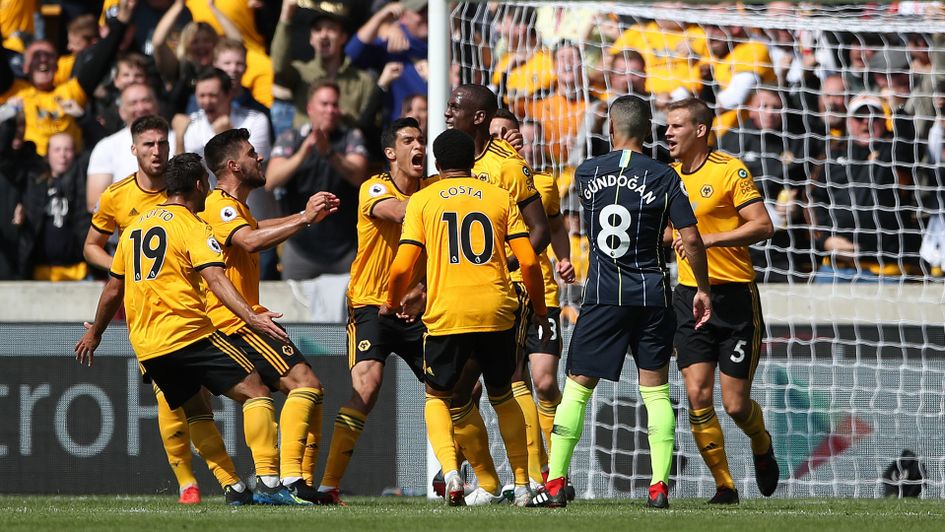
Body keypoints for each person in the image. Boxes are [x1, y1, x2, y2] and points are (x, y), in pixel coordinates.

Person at [74, 152, 307, 506]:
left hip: (149, 347)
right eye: (206, 185)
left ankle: (233, 486)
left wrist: (96, 333)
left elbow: (112, 290)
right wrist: (251, 316)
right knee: (256, 392)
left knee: (197, 410)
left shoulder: (134, 226)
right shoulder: (193, 226)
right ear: (199, 185)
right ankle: (270, 481)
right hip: (189, 334)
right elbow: (217, 279)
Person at [528, 95, 711, 509]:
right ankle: (659, 487)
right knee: (656, 391)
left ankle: (555, 483)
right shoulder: (665, 176)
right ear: (649, 132)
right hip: (651, 295)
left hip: (603, 296)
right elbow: (692, 239)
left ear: (611, 130)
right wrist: (702, 287)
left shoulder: (588, 172)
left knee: (576, 390)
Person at [382, 128, 550, 506]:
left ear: (437, 164)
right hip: (496, 309)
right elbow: (527, 260)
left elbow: (402, 266)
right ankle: (522, 484)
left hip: (448, 313)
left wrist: (391, 302)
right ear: (473, 162)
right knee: (503, 394)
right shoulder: (499, 196)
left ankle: (453, 473)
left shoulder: (423, 201)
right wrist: (539, 310)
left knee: (436, 396)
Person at [83, 115, 226, 504]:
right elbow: (91, 246)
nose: (157, 151)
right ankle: (189, 482)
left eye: (162, 143)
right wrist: (122, 266)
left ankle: (229, 479)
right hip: (151, 314)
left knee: (201, 399)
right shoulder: (116, 196)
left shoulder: (188, 190)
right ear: (133, 150)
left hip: (199, 307)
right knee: (171, 396)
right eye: (148, 145)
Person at [201, 128, 339, 503]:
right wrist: (306, 220)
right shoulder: (219, 205)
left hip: (238, 321)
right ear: (233, 166)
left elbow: (254, 230)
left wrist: (304, 214)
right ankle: (287, 482)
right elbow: (248, 240)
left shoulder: (237, 209)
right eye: (251, 153)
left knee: (310, 390)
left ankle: (295, 482)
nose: (259, 157)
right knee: (305, 384)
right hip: (236, 322)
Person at [664, 98, 779, 504]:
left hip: (734, 298)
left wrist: (708, 238)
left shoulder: (730, 170)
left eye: (676, 126)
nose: (667, 133)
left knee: (734, 404)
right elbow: (663, 232)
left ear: (700, 130)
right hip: (689, 297)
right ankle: (725, 486)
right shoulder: (668, 177)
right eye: (666, 126)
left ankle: (761, 443)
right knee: (696, 394)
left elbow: (763, 225)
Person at [442, 83, 550, 503]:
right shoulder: (450, 160)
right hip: (458, 292)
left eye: (456, 105)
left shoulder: (508, 165)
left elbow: (538, 229)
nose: (448, 110)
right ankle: (488, 480)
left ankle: (531, 477)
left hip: (507, 290)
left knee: (507, 380)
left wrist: (500, 266)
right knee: (460, 391)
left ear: (479, 117)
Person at [316, 117, 430, 504]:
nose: (419, 147)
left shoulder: (432, 189)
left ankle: (456, 477)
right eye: (409, 141)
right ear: (390, 152)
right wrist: (450, 199)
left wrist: (424, 290)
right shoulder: (374, 187)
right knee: (367, 385)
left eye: (422, 141)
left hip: (415, 307)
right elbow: (400, 214)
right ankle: (329, 486)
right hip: (370, 303)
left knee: (459, 387)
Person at [490, 109, 574, 486]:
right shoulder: (482, 180)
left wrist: (565, 258)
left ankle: (556, 468)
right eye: (498, 133)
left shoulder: (543, 182)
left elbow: (554, 226)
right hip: (498, 290)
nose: (508, 137)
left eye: (512, 131)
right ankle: (533, 473)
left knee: (543, 381)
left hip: (542, 291)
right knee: (510, 383)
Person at [267, 80, 369, 281]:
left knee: (349, 310)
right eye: (324, 104)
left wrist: (329, 153)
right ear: (310, 108)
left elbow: (358, 175)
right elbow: (271, 180)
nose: (330, 110)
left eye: (334, 105)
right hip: (300, 248)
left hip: (344, 249)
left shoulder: (350, 137)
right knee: (292, 310)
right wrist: (305, 151)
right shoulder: (292, 138)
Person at [271, 0, 375, 129]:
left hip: (346, 146)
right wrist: (286, 16)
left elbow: (367, 126)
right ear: (311, 39)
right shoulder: (301, 72)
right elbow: (279, 66)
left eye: (331, 29)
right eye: (318, 30)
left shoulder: (362, 81)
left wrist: (342, 117)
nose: (324, 35)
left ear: (343, 37)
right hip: (305, 144)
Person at [86, 83, 178, 213]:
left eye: (145, 101)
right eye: (133, 103)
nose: (140, 108)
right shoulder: (106, 147)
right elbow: (94, 204)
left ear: (156, 105)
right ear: (122, 112)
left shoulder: (177, 138)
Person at [19, 133, 91, 281]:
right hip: (40, 269)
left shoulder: (82, 179)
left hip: (78, 269)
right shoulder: (34, 180)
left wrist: (83, 118)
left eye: (68, 149)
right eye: (57, 150)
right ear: (47, 154)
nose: (63, 155)